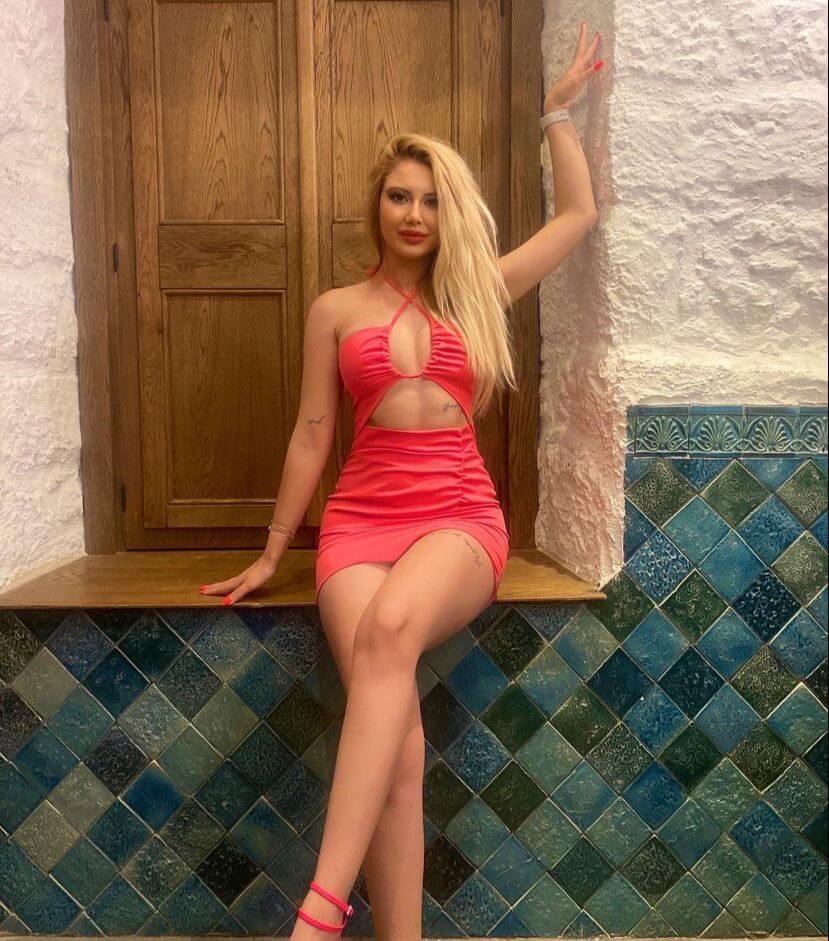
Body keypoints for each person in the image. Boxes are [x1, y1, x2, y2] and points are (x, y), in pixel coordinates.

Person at [199, 22, 602, 940]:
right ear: (376, 205)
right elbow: (313, 431)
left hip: (457, 517)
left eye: (428, 199)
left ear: (446, 211)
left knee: (387, 633)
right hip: (357, 526)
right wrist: (273, 550)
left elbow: (577, 218)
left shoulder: (478, 292)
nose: (413, 213)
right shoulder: (335, 310)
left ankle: (318, 910)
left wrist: (555, 116)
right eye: (398, 196)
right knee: (399, 743)